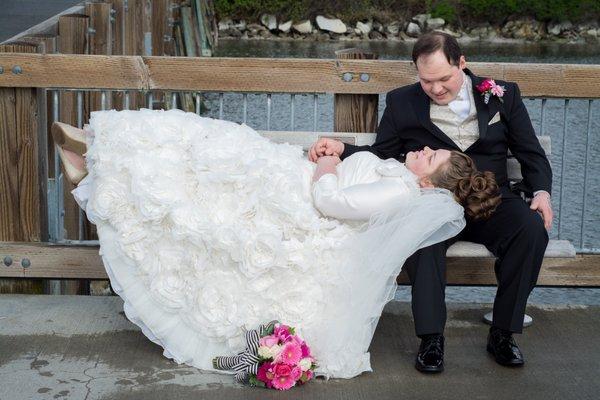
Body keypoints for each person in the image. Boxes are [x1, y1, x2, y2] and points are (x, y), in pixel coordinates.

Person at [51, 108, 499, 380]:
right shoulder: (400, 175)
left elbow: (331, 202)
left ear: (429, 181)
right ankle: (94, 155)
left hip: (301, 200)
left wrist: (327, 163)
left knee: (209, 169)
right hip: (294, 177)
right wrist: (338, 155)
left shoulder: (401, 190)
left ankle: (96, 159)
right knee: (214, 146)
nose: (424, 149)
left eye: (433, 156)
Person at [309, 31, 553, 373]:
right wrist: (341, 149)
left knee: (530, 229)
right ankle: (431, 339)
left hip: (490, 196)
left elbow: (530, 152)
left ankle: (503, 331)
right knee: (422, 236)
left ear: (462, 64)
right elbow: (382, 154)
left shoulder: (503, 94)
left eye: (444, 79)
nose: (436, 89)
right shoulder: (401, 102)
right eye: (426, 81)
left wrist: (541, 192)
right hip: (434, 200)